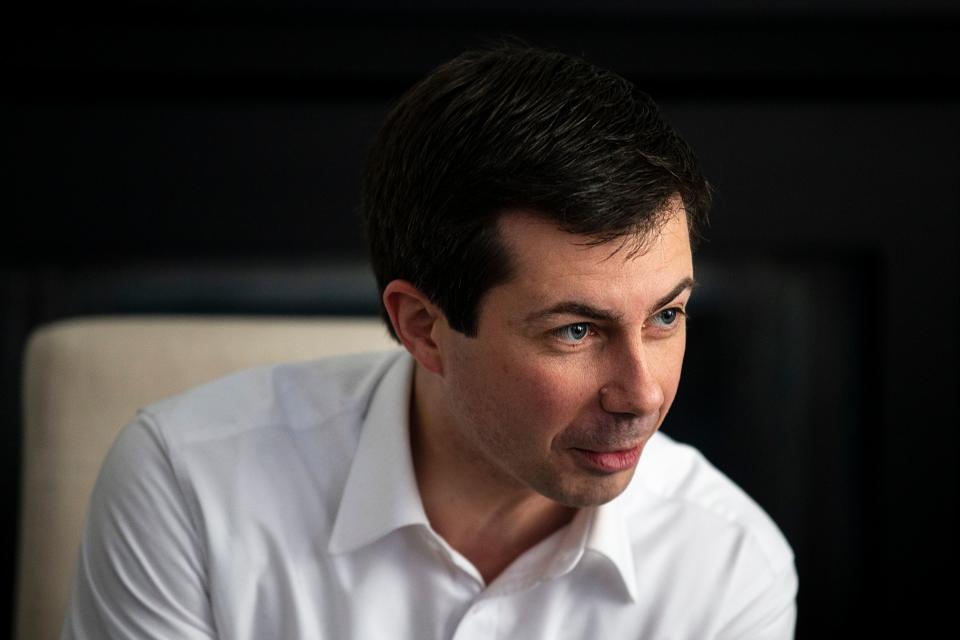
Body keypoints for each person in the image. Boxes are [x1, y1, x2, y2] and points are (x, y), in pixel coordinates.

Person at [62, 44, 797, 639]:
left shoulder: (729, 566)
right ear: (423, 327)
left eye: (666, 317)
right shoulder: (187, 487)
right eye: (576, 330)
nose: (643, 394)